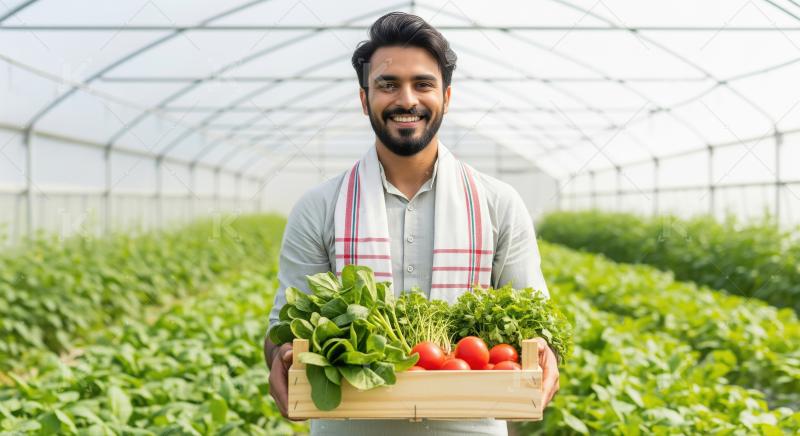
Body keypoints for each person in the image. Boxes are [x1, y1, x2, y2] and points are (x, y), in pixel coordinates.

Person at [264, 11, 559, 436]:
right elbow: (283, 328)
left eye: (423, 84)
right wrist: (283, 355)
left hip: (471, 427)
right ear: (365, 99)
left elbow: (534, 324)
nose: (406, 100)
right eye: (387, 85)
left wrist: (546, 357)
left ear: (447, 96)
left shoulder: (499, 203)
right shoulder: (319, 207)